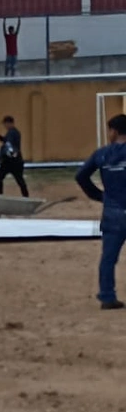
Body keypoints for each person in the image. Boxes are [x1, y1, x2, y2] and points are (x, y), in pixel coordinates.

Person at [76, 114, 126, 310]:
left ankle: (107, 296)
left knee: (108, 258)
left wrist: (99, 196)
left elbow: (81, 176)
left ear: (113, 131)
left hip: (113, 211)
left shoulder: (102, 154)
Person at [0, 115, 28, 197]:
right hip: (15, 161)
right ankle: (26, 197)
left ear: (9, 123)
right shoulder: (14, 132)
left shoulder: (12, 132)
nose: (4, 126)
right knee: (20, 180)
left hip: (11, 161)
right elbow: (6, 141)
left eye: (5, 124)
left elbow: (8, 145)